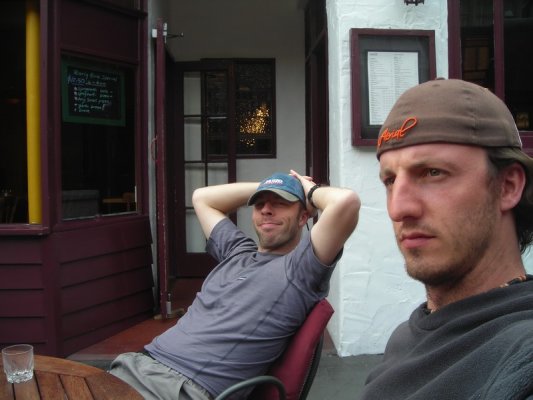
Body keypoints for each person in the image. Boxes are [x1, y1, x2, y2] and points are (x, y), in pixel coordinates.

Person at [109, 170, 360, 399]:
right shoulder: (237, 252)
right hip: (134, 365)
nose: (266, 210)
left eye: (280, 203)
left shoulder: (301, 269)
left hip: (180, 389)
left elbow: (346, 202)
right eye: (259, 204)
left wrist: (306, 189)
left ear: (303, 216)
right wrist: (271, 184)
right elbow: (202, 198)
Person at [360, 78, 533, 400]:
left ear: (508, 186)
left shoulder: (520, 349)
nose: (398, 208)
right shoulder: (406, 336)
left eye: (433, 173)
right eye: (390, 180)